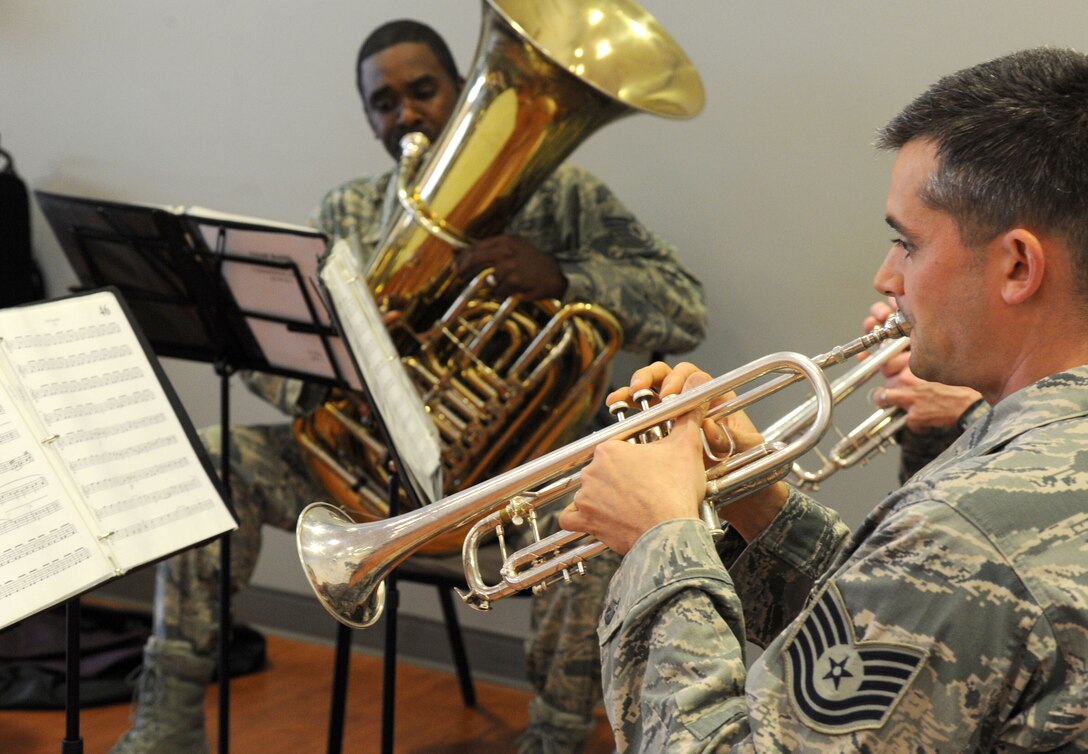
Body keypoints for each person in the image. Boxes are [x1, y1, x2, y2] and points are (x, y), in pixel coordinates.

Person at [108, 19, 706, 754]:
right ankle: (164, 718)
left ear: (463, 94)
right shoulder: (348, 215)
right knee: (212, 456)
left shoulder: (563, 199)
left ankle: (553, 737)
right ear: (369, 120)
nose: (405, 115)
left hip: (509, 493)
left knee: (594, 502)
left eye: (422, 91)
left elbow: (686, 308)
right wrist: (340, 377)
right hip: (364, 480)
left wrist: (564, 278)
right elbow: (271, 350)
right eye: (383, 103)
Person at [559, 47, 1088, 751]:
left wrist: (661, 540)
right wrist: (758, 505)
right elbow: (915, 645)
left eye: (907, 244)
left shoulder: (965, 527)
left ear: (1017, 265)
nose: (885, 277)